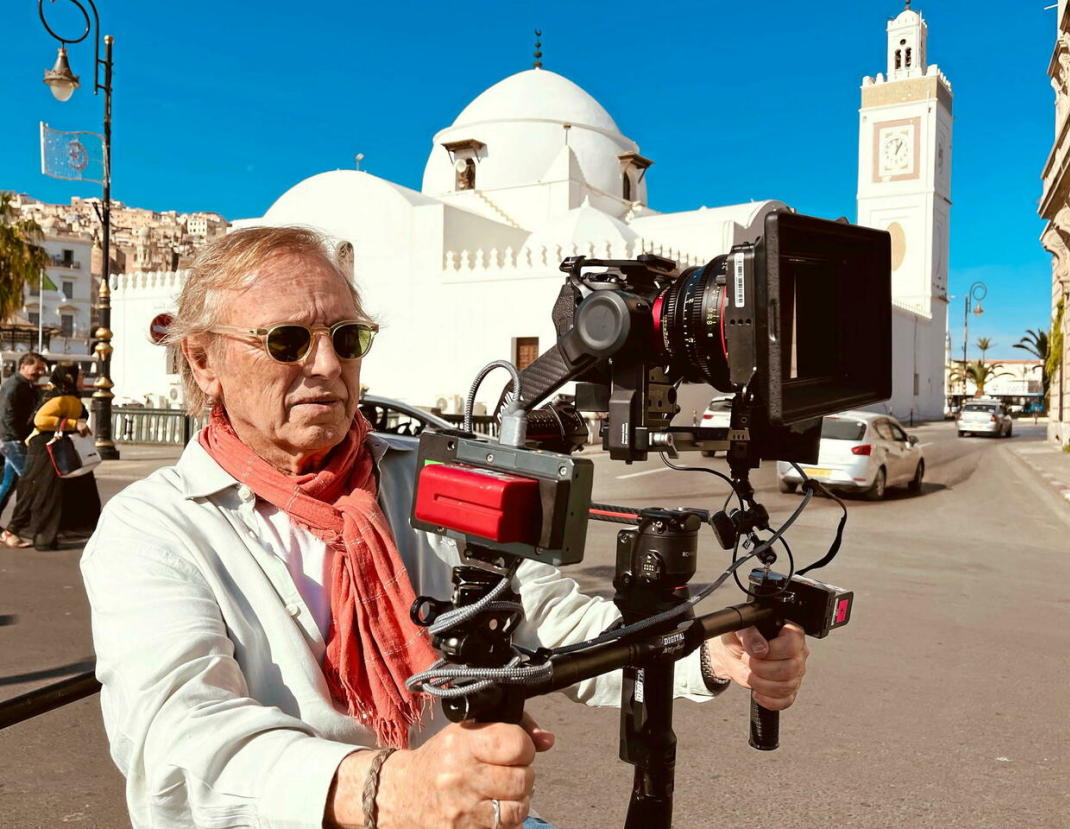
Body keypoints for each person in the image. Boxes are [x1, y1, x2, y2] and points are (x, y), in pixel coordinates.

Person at [81, 227, 812, 829]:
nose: (328, 364)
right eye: (286, 342)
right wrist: (388, 787)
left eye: (347, 336)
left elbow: (547, 618)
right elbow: (179, 737)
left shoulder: (423, 475)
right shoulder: (153, 530)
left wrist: (706, 654)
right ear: (203, 360)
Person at [6, 364, 99, 551]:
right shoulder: (60, 398)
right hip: (45, 449)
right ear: (69, 378)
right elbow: (40, 420)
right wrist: (72, 423)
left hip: (56, 448)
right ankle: (17, 532)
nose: (83, 379)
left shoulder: (67, 396)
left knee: (43, 489)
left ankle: (28, 532)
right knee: (40, 491)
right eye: (80, 376)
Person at [0, 352, 47, 543]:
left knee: (8, 483)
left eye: (42, 369)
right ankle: (16, 529)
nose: (40, 372)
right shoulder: (15, 386)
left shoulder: (25, 385)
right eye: (37, 368)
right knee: (32, 482)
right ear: (24, 367)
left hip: (13, 439)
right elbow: (7, 414)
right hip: (13, 440)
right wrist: (16, 438)